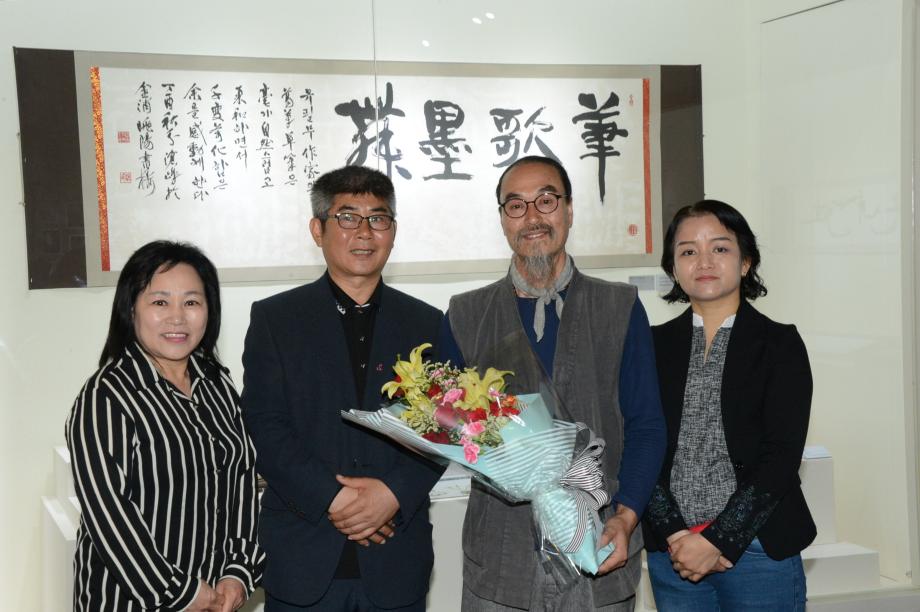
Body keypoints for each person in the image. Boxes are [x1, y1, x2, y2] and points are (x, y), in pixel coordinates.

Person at [439, 155, 666, 611]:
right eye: (516, 205)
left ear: (569, 209)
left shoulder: (619, 306)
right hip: (501, 556)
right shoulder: (466, 315)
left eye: (546, 200)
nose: (533, 217)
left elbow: (646, 425)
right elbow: (448, 426)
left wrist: (626, 517)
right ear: (503, 219)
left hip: (599, 544)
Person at [241, 165, 443, 611]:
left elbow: (444, 427)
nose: (365, 232)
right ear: (318, 230)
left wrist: (391, 495)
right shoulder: (276, 320)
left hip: (396, 555)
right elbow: (264, 426)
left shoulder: (427, 323)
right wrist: (334, 498)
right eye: (348, 217)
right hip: (302, 557)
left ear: (393, 231)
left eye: (378, 218)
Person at [66, 240, 264, 612]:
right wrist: (181, 593)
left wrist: (237, 573)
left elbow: (241, 482)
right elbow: (109, 517)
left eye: (191, 302)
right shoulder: (106, 396)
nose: (177, 318)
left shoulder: (218, 385)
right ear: (131, 309)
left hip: (215, 598)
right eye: (160, 302)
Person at [642, 200, 815, 611]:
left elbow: (782, 456)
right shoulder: (650, 345)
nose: (704, 261)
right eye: (688, 251)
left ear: (745, 262)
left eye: (719, 248)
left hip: (758, 548)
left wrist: (717, 541)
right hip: (674, 554)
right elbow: (639, 444)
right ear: (673, 268)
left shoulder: (779, 344)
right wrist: (677, 536)